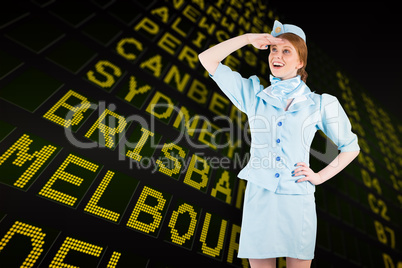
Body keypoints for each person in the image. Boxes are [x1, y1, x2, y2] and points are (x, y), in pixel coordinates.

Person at [198, 20, 360, 268]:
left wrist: (319, 176)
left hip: (298, 198)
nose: (277, 55)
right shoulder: (253, 95)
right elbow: (208, 59)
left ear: (300, 62)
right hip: (259, 197)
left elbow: (351, 146)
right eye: (274, 49)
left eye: (286, 51)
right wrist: (248, 38)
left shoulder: (321, 103)